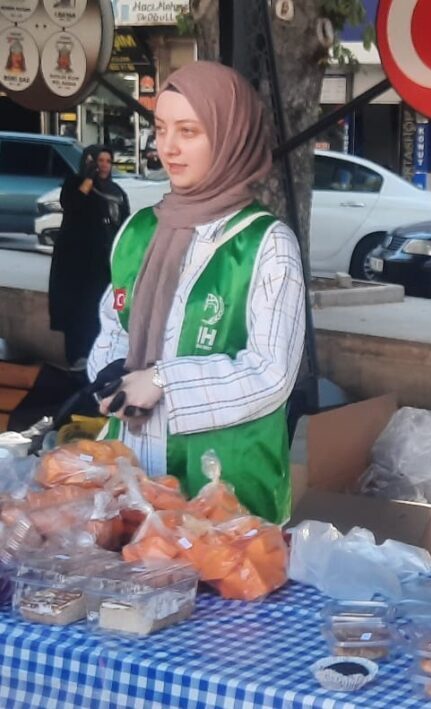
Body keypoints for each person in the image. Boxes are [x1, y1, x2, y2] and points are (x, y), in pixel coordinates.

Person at [87, 61, 306, 524]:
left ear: (230, 137)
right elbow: (114, 323)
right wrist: (109, 372)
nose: (168, 146)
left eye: (189, 131)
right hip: (134, 479)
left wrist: (163, 381)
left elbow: (271, 374)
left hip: (229, 496)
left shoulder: (266, 245)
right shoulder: (138, 231)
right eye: (161, 128)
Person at [49, 145, 129, 370]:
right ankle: (76, 356)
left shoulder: (116, 190)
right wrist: (89, 177)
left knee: (99, 308)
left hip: (103, 261)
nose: (103, 165)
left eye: (107, 161)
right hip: (77, 260)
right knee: (77, 309)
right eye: (99, 160)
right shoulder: (77, 184)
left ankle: (97, 356)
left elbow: (123, 222)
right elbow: (73, 204)